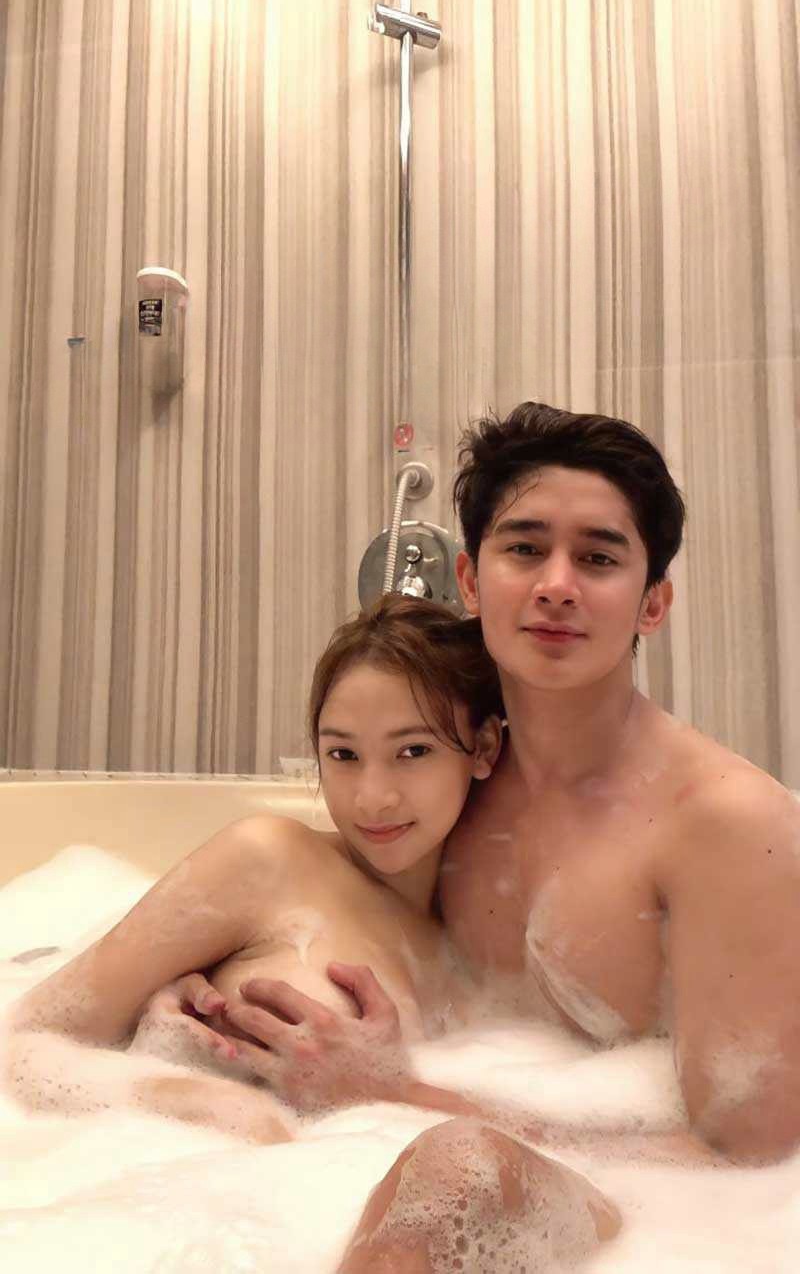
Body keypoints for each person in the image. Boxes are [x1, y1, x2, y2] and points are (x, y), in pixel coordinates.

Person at [154, 401, 799, 1262]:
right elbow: (331, 902)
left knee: (460, 1174)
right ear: (468, 580)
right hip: (368, 1160)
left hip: (661, 1211)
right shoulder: (454, 776)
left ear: (653, 602)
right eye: (525, 549)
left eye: (598, 558)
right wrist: (193, 999)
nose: (556, 584)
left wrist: (396, 1092)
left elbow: (749, 1159)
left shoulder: (725, 824)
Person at [6, 592, 622, 1271]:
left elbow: (591, 1141)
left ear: (482, 747)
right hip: (181, 1215)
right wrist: (221, 1106)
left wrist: (383, 1093)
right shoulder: (268, 861)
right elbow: (24, 1040)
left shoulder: (487, 946)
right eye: (343, 754)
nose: (372, 797)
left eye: (412, 751)